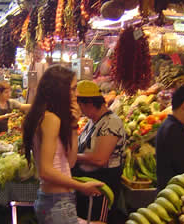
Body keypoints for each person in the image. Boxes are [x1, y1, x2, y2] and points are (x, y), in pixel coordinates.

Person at [23, 65, 103, 224]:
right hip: (56, 203)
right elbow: (45, 171)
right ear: (59, 90)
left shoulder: (48, 117)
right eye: (73, 89)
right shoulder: (51, 119)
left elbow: (70, 162)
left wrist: (74, 125)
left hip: (57, 201)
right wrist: (81, 187)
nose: (77, 94)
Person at [72, 80, 126, 223]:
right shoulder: (92, 121)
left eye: (80, 106)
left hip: (101, 184)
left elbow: (100, 159)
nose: (80, 110)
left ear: (89, 104)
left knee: (96, 220)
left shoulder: (111, 122)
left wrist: (72, 157)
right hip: (87, 182)